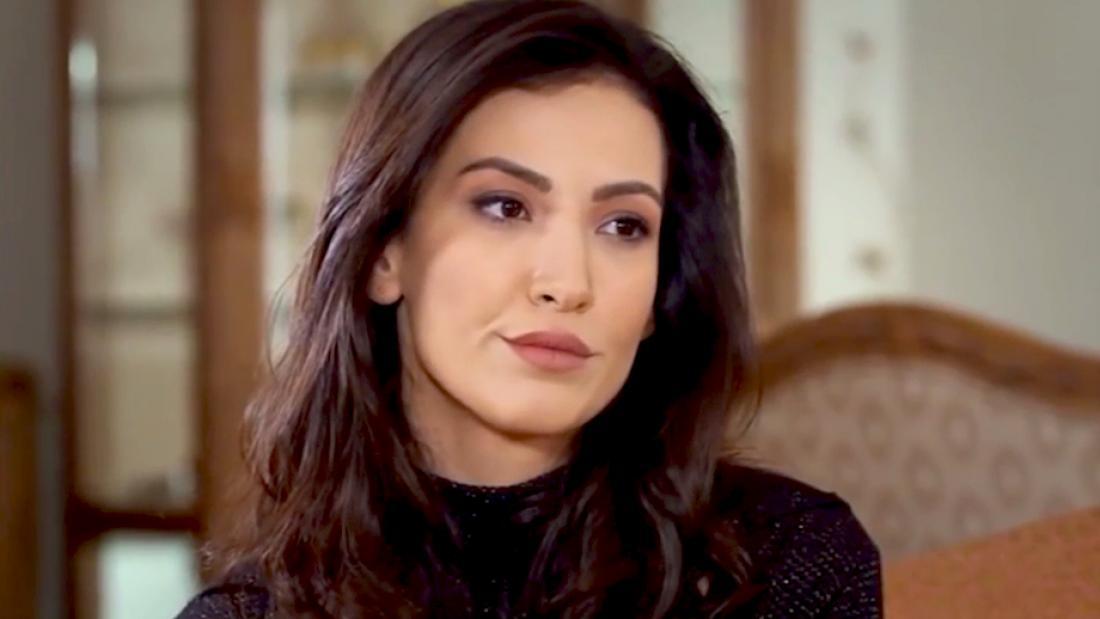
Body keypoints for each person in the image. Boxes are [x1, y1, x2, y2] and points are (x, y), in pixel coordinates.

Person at [177, 1, 881, 617]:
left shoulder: (788, 565)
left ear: (658, 295)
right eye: (505, 206)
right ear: (385, 251)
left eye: (624, 226)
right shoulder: (250, 615)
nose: (567, 282)